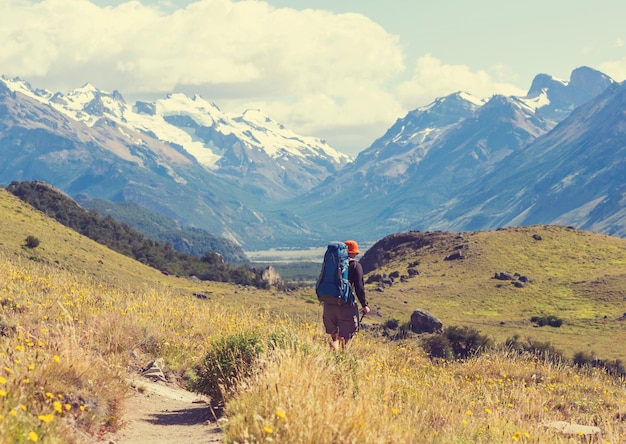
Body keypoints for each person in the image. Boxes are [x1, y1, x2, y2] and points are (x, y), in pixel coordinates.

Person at [323, 240, 370, 351]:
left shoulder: (332, 264)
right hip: (345, 305)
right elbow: (359, 287)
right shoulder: (355, 266)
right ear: (353, 253)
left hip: (328, 303)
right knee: (345, 336)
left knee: (334, 337)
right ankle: (341, 357)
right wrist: (364, 305)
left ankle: (332, 353)